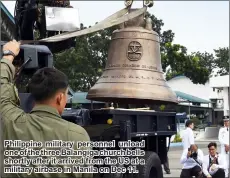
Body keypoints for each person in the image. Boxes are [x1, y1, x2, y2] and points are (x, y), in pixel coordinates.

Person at [0, 40, 93, 178]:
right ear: (60, 98)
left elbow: (2, 88)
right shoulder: (79, 136)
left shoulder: (11, 122)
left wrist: (8, 55)